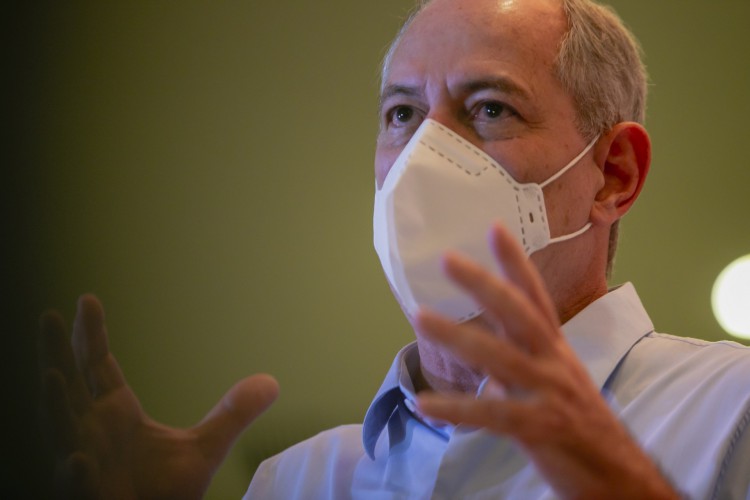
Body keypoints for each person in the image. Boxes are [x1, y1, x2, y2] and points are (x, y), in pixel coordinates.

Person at [38, 0, 750, 498]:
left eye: (490, 108)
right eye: (402, 114)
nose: (423, 156)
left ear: (613, 175)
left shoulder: (728, 410)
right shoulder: (299, 482)